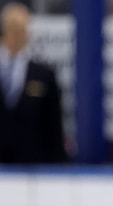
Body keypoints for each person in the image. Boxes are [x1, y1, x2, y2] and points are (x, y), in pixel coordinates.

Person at [0, 2, 67, 165]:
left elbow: (54, 128)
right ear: (4, 32)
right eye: (14, 30)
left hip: (33, 167)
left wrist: (57, 167)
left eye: (23, 30)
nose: (20, 35)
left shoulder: (44, 75)